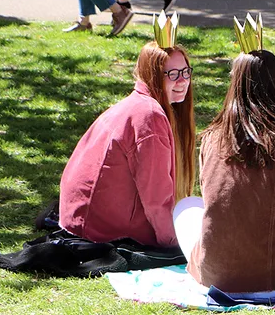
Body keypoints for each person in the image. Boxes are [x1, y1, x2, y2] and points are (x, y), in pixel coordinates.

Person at [176, 48, 275, 295]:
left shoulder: (211, 139)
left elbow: (215, 202)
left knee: (185, 208)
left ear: (235, 83)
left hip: (215, 280)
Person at [59, 36, 196, 247]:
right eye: (173, 74)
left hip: (80, 221)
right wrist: (176, 244)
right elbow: (156, 198)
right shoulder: (149, 116)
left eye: (186, 72)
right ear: (153, 75)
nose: (182, 81)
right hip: (100, 231)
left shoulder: (138, 104)